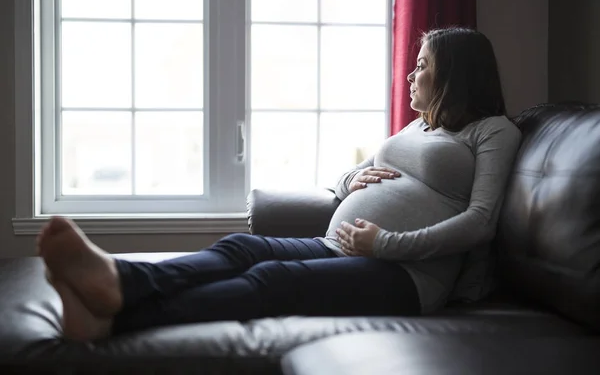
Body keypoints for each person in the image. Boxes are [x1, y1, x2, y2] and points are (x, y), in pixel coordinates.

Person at [37, 27, 522, 341]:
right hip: (341, 246)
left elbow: (480, 223)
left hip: (410, 278)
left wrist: (387, 242)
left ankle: (116, 317)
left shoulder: (493, 131)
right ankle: (120, 281)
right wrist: (354, 178)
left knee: (273, 281)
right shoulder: (419, 126)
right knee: (240, 250)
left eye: (423, 66)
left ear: (453, 76)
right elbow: (347, 178)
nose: (413, 74)